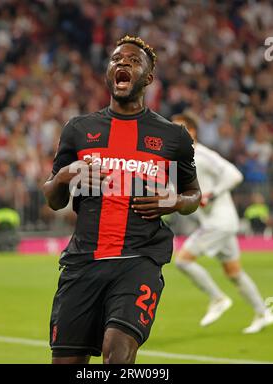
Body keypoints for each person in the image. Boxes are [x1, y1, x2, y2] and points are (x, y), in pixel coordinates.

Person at [43, 36, 201, 364]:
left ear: (148, 77)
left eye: (132, 60)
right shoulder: (78, 129)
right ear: (108, 72)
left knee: (117, 357)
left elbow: (194, 195)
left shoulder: (174, 137)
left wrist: (175, 202)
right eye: (116, 59)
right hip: (82, 263)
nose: (123, 63)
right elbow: (53, 199)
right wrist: (62, 177)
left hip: (138, 260)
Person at [169, 112, 273, 334]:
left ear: (192, 131)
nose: (173, 132)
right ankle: (263, 313)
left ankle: (217, 299)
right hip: (219, 223)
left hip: (220, 222)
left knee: (183, 261)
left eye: (178, 128)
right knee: (234, 272)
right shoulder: (181, 159)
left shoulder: (204, 155)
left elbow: (235, 175)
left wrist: (211, 194)